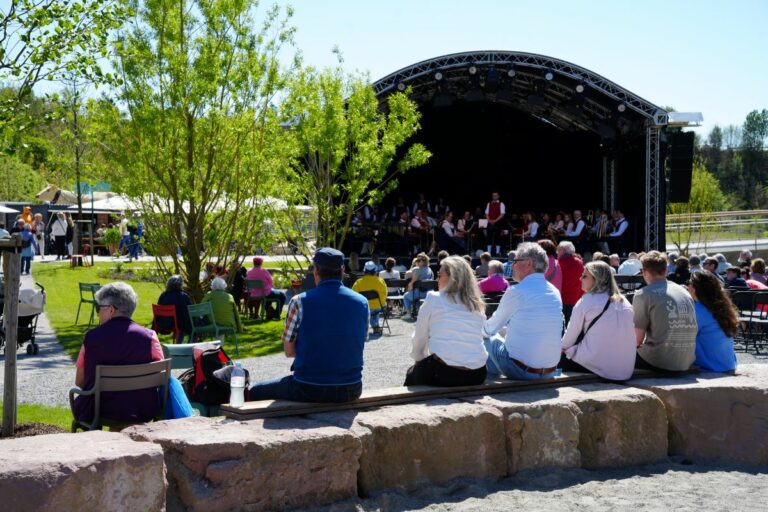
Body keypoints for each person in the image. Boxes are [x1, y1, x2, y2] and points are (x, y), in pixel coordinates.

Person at [248, 248, 368, 402]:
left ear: (315, 270)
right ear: (342, 270)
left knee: (255, 391)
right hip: (351, 388)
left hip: (309, 387)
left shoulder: (299, 301)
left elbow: (289, 351)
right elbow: (359, 341)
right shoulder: (362, 302)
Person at [72, 282, 165, 423]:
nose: (98, 313)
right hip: (142, 409)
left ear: (111, 310)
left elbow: (80, 381)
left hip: (99, 410)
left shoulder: (92, 338)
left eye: (99, 308)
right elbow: (158, 378)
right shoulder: (150, 336)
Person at [482, 242, 563, 380]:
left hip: (521, 371)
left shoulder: (517, 291)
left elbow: (488, 330)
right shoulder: (554, 291)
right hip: (549, 371)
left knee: (486, 338)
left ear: (529, 263)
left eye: (516, 261)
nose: (512, 265)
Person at [405, 256, 488, 386]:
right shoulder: (476, 304)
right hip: (478, 373)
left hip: (445, 373)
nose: (437, 279)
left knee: (412, 374)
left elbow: (420, 337)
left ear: (452, 278)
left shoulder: (434, 298)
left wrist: (419, 360)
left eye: (439, 275)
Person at [560, 261, 636, 380]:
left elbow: (569, 338)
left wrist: (558, 350)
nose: (580, 278)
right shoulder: (624, 302)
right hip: (625, 369)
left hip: (596, 365)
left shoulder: (587, 301)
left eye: (585, 276)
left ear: (596, 279)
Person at [633, 251, 697, 372]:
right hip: (686, 360)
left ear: (644, 272)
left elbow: (637, 339)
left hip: (660, 360)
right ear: (666, 270)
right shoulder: (684, 292)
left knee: (611, 357)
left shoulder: (643, 294)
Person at [687, 271, 738, 373]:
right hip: (728, 365)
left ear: (696, 288)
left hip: (709, 367)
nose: (688, 286)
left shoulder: (698, 310)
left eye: (689, 283)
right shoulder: (723, 307)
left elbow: (683, 337)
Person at [352, 261, 388, 335]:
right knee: (375, 308)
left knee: (369, 307)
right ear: (375, 271)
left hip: (363, 307)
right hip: (378, 306)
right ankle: (376, 326)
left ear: (364, 271)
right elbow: (385, 294)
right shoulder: (381, 281)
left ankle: (367, 326)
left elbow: (353, 295)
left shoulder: (358, 282)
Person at [156, 275, 193, 342]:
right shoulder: (183, 296)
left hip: (162, 323)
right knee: (188, 324)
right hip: (176, 325)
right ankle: (187, 345)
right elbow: (190, 310)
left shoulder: (163, 295)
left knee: (182, 322)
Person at [557, 241, 584, 324]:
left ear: (564, 251)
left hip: (564, 299)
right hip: (577, 298)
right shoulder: (579, 262)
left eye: (559, 250)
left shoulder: (559, 264)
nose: (557, 252)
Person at [403, 252, 434, 318]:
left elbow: (411, 283)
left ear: (423, 261)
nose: (417, 262)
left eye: (418, 260)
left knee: (406, 296)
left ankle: (408, 313)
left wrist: (409, 287)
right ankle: (418, 311)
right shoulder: (430, 270)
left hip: (420, 293)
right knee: (414, 296)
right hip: (429, 292)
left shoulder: (418, 270)